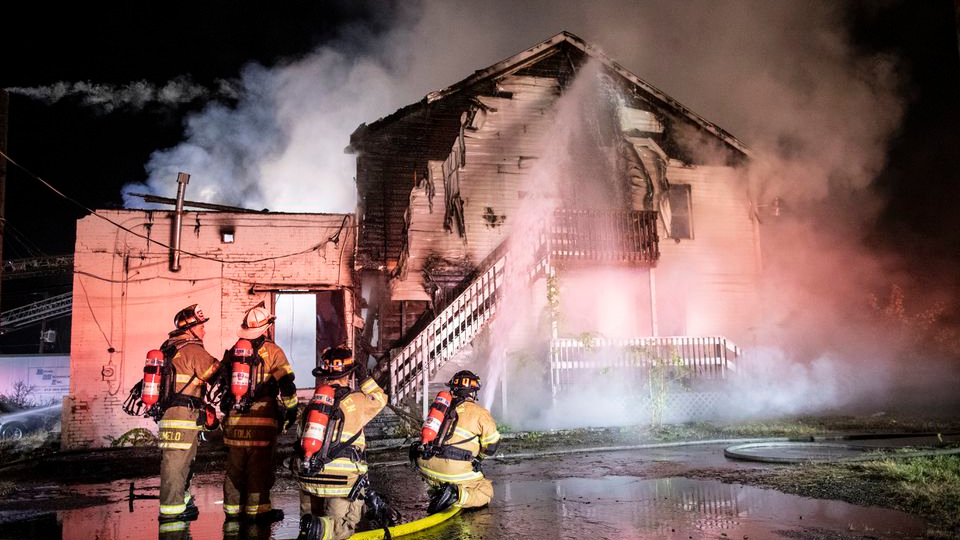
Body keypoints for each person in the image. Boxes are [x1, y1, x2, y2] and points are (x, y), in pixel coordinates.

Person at [219, 301, 299, 527]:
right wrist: (292, 409)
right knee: (259, 469)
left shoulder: (234, 351)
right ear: (266, 328)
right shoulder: (273, 351)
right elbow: (287, 385)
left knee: (234, 469)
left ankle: (232, 513)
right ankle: (258, 514)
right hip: (262, 423)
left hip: (234, 423)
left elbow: (223, 383)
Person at [295, 346, 388, 540]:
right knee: (341, 529)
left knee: (311, 521)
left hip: (308, 476)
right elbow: (380, 399)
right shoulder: (357, 401)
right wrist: (365, 379)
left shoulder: (313, 404)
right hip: (341, 483)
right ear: (348, 375)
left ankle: (311, 529)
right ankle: (317, 531)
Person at [157, 304, 221, 523]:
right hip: (182, 417)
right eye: (201, 326)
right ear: (190, 328)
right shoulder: (192, 350)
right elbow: (215, 372)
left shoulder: (168, 347)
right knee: (176, 464)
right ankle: (171, 512)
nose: (204, 330)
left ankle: (181, 503)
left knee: (181, 461)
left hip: (172, 415)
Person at [411, 370, 501, 513]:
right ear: (473, 392)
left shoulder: (441, 408)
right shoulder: (480, 413)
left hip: (425, 467)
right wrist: (479, 458)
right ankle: (455, 495)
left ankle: (440, 491)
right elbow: (491, 446)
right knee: (485, 490)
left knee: (439, 478)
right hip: (451, 471)